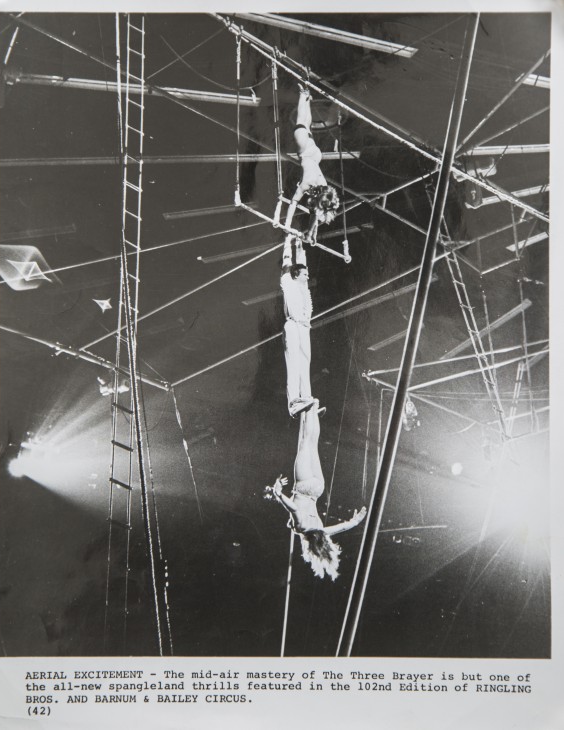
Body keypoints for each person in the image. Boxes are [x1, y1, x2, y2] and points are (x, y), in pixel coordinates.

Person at [265, 403, 367, 580]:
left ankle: (313, 414)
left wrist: (356, 521)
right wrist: (279, 494)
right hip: (304, 488)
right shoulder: (302, 528)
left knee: (313, 445)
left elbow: (344, 526)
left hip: (317, 489)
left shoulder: (321, 531)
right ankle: (312, 407)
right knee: (305, 442)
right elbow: (294, 509)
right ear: (308, 547)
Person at [280, 84, 340, 243]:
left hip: (315, 154)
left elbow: (315, 213)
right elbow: (293, 203)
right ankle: (303, 93)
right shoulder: (306, 185)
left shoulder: (324, 186)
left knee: (307, 124)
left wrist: (312, 234)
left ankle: (306, 97)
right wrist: (287, 225)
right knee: (301, 122)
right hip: (305, 150)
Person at [280, 234, 316, 417]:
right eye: (305, 274)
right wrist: (288, 243)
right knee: (293, 362)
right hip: (292, 326)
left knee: (304, 362)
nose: (307, 276)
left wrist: (300, 244)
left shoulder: (303, 287)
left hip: (304, 327)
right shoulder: (288, 282)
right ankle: (293, 402)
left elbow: (302, 263)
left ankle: (306, 398)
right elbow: (287, 264)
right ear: (296, 275)